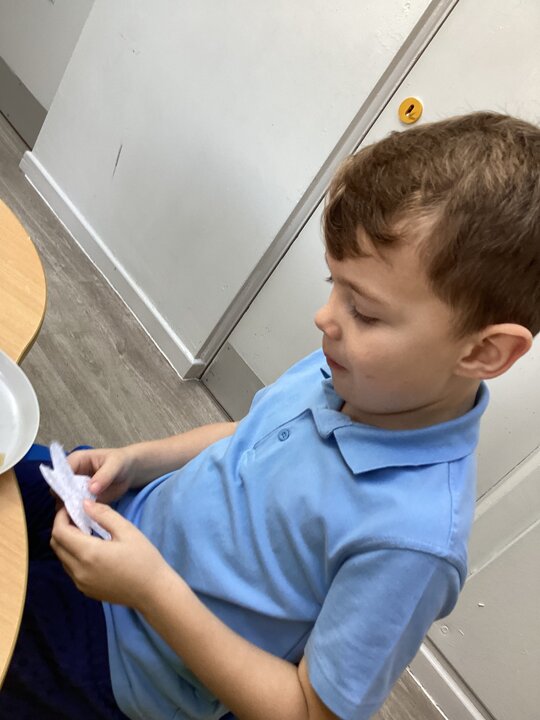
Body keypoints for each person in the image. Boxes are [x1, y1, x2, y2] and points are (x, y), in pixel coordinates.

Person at [2, 111, 539, 720]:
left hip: (125, 663)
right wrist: (138, 461)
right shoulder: (350, 371)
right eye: (334, 283)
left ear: (483, 352)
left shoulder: (412, 543)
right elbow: (246, 435)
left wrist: (150, 589)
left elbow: (308, 710)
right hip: (123, 527)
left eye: (364, 311)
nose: (325, 318)